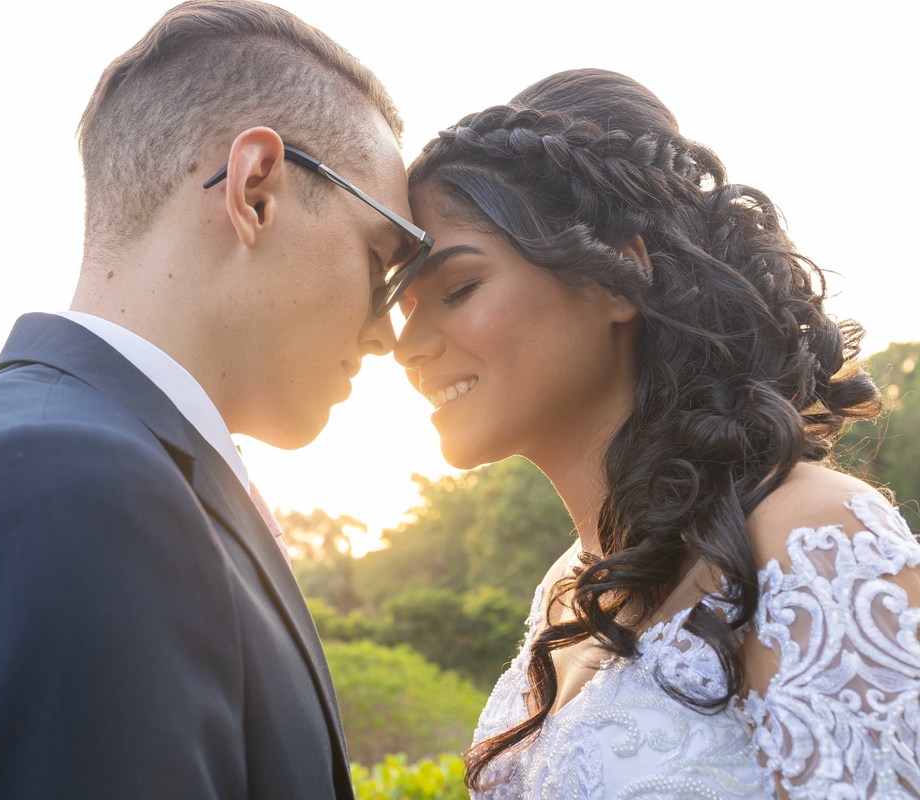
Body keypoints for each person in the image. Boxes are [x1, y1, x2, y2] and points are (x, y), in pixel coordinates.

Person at [0, 1, 431, 797]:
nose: (387, 331)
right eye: (383, 257)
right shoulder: (61, 489)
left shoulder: (88, 464)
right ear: (256, 191)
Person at [394, 68, 920, 798]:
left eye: (457, 290)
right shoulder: (568, 591)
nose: (408, 343)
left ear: (617, 276)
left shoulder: (811, 537)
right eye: (404, 305)